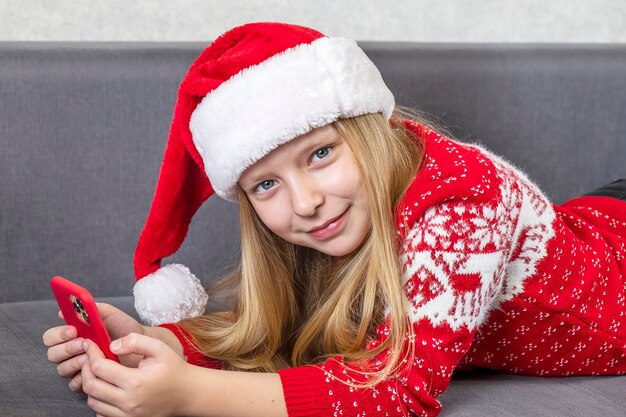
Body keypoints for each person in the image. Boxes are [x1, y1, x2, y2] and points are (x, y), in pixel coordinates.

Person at [42, 22, 626, 417]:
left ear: (367, 129)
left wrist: (191, 394)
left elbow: (399, 389)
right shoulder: (336, 219)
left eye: (320, 154)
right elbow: (285, 326)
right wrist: (154, 340)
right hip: (591, 224)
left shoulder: (461, 202)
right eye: (266, 184)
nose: (304, 202)